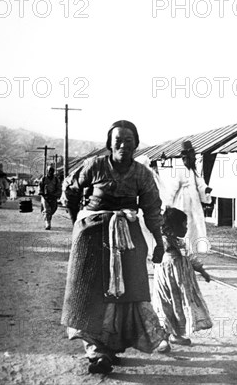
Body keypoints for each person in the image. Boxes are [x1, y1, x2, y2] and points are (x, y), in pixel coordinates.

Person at [61, 120, 166, 375]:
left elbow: (152, 209)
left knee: (126, 293)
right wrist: (80, 220)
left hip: (128, 237)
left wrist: (159, 241)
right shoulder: (94, 165)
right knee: (90, 291)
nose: (122, 144)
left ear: (136, 144)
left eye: (128, 140)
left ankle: (112, 346)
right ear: (109, 143)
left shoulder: (142, 174)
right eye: (117, 139)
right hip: (93, 236)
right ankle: (96, 352)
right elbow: (69, 190)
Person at [153, 206, 212, 353]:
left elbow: (190, 258)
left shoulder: (181, 242)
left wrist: (202, 270)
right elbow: (155, 256)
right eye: (184, 225)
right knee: (165, 305)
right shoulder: (163, 241)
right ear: (172, 227)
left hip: (181, 282)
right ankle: (162, 339)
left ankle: (176, 334)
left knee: (178, 306)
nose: (186, 228)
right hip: (166, 280)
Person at [167, 140, 211, 254]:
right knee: (185, 225)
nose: (193, 159)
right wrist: (168, 204)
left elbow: (200, 184)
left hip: (194, 202)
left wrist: (205, 190)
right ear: (184, 157)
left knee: (196, 224)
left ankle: (193, 250)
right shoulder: (179, 170)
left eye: (193, 157)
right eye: (191, 157)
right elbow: (172, 188)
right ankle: (184, 249)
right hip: (183, 202)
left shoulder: (194, 171)